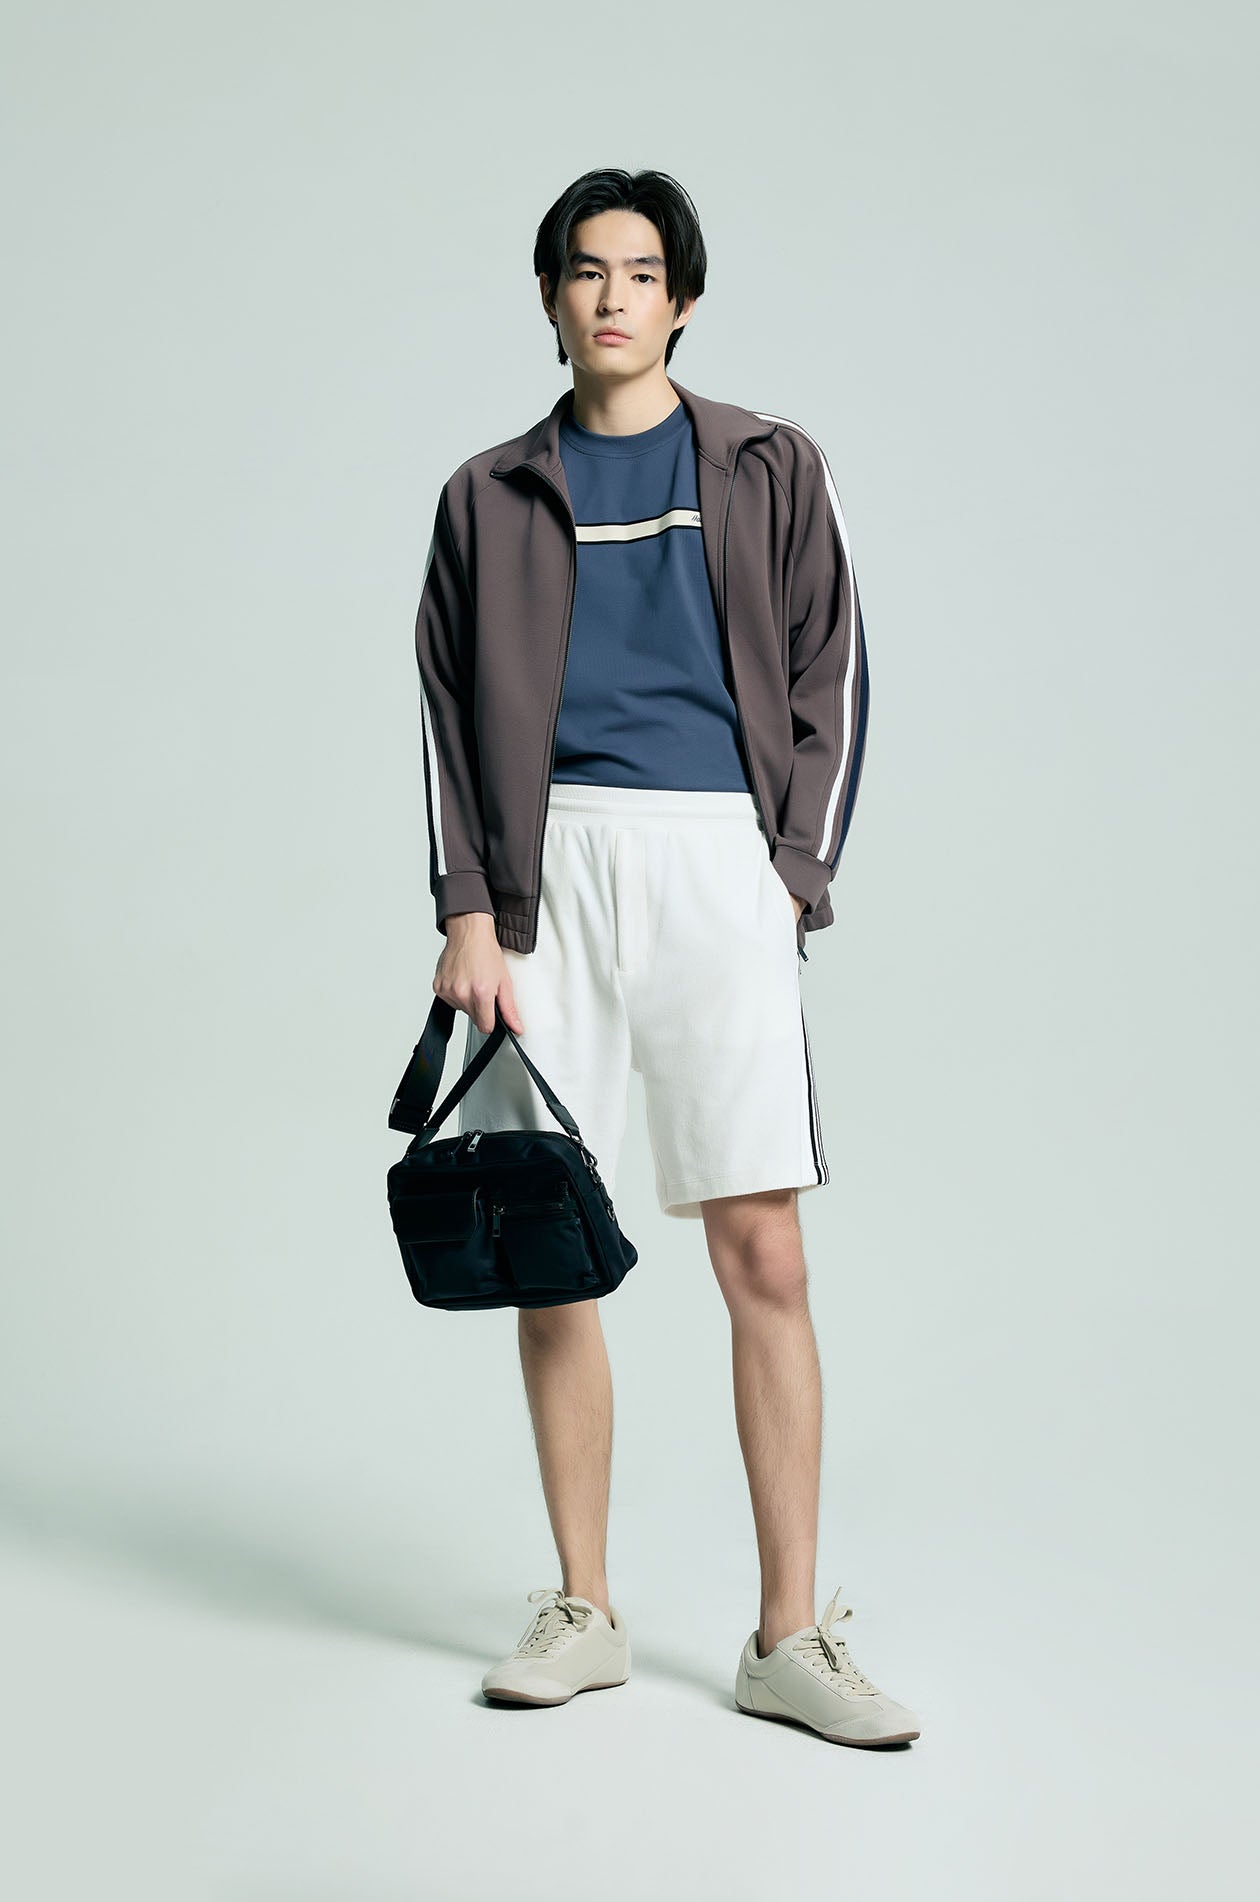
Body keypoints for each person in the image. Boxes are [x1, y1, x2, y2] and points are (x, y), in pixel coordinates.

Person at [412, 167, 920, 1748]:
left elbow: (835, 668)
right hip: (545, 877)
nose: (614, 296)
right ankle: (584, 1606)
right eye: (587, 271)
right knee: (552, 1243)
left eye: (642, 272)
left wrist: (790, 879)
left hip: (720, 866)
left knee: (763, 1248)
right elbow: (444, 710)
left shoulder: (770, 463)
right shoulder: (486, 494)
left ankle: (788, 1634)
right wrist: (468, 908)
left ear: (682, 299)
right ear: (551, 297)